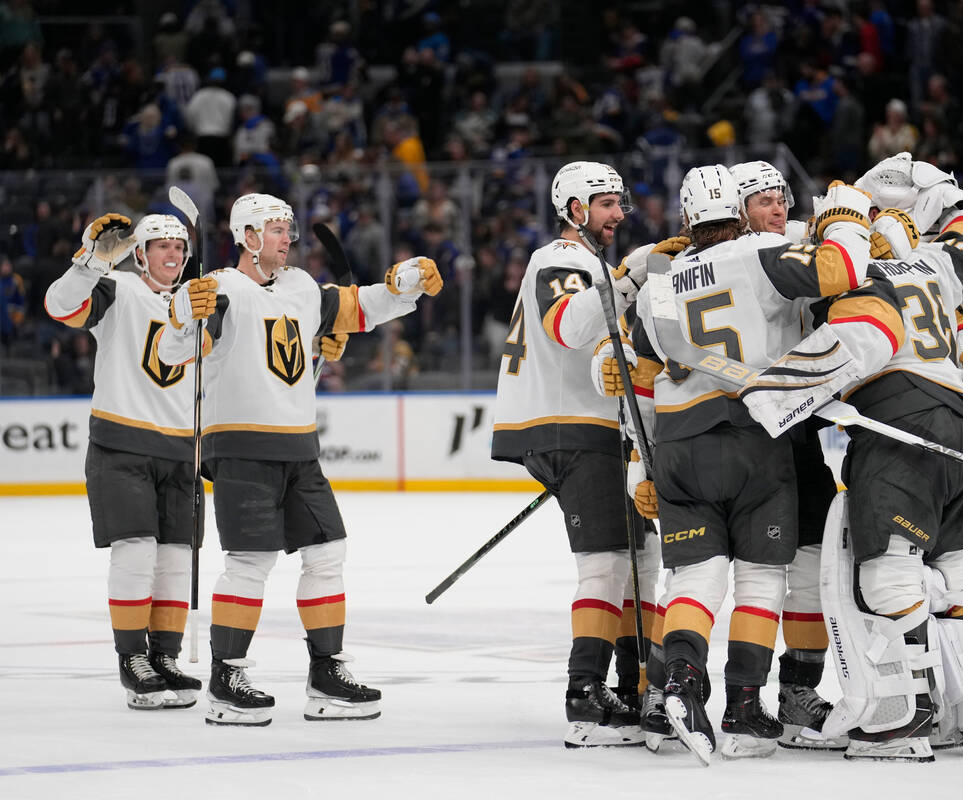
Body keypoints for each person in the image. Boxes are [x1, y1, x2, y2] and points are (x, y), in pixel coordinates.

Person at [739, 163, 963, 761]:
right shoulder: (934, 262)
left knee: (886, 574)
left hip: (901, 420)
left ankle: (903, 719)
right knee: (959, 566)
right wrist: (943, 193)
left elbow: (859, 340)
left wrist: (767, 396)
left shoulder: (849, 272)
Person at [622, 165, 884, 763]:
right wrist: (845, 217)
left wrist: (642, 466)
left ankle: (678, 686)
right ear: (739, 215)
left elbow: (637, 385)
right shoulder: (763, 251)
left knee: (692, 580)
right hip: (756, 438)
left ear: (687, 221)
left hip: (679, 446)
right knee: (762, 580)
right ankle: (743, 709)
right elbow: (842, 270)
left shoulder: (659, 286)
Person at [155, 193, 442, 725]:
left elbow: (357, 307)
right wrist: (181, 316)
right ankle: (227, 674)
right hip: (241, 448)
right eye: (276, 230)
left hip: (299, 448)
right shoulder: (220, 288)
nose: (288, 239)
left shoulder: (300, 287)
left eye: (289, 229)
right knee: (251, 562)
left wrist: (403, 285)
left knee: (328, 550)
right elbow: (174, 354)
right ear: (246, 237)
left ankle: (326, 670)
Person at [490, 161, 666, 749]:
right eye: (606, 204)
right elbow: (567, 326)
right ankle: (584, 692)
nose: (619, 215)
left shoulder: (589, 264)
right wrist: (631, 279)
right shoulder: (564, 260)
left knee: (634, 563)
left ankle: (635, 684)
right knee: (608, 563)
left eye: (621, 204)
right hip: (570, 426)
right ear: (573, 209)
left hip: (582, 426)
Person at [44, 212, 203, 710]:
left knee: (176, 562)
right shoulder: (117, 290)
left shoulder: (201, 303)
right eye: (161, 246)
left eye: (179, 246)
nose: (172, 254)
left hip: (181, 450)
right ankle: (132, 657)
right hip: (122, 444)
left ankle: (165, 657)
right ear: (140, 253)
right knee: (136, 554)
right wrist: (90, 262)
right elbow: (58, 305)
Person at [729, 160, 843, 751]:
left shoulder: (792, 246)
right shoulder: (741, 258)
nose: (778, 208)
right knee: (749, 575)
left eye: (782, 198)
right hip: (737, 435)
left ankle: (797, 693)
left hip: (795, 435)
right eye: (764, 200)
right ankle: (730, 695)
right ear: (735, 210)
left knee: (811, 567)